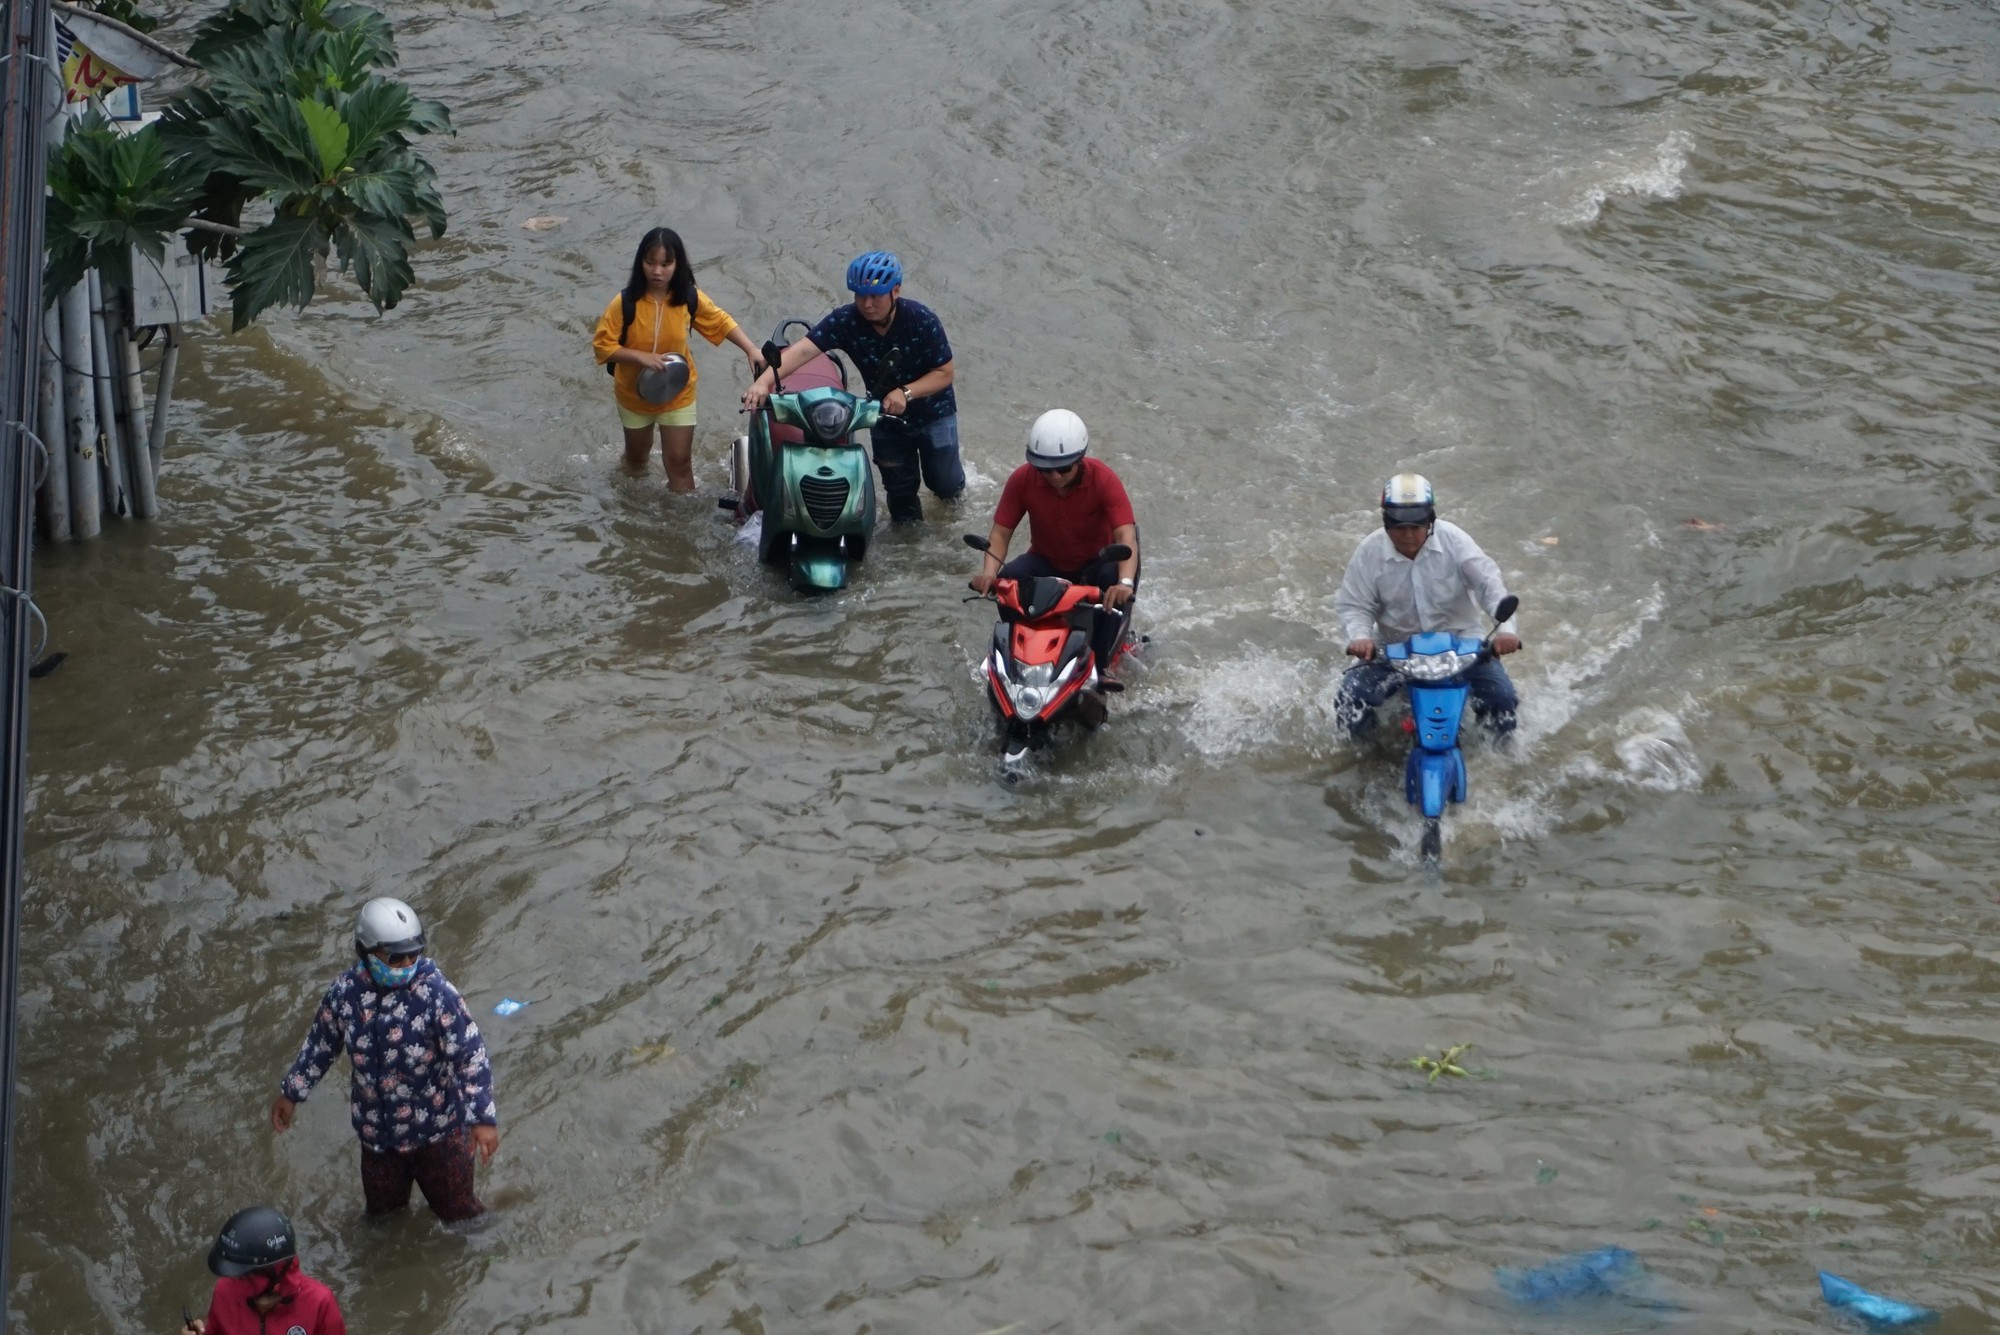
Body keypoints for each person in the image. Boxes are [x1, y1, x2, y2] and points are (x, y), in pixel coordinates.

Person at [270, 898, 498, 1223]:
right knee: (382, 1219)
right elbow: (320, 1045)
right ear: (367, 952)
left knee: (461, 1216)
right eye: (395, 957)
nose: (407, 962)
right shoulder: (345, 995)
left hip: (439, 1134)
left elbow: (470, 1057)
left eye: (414, 953)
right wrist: (291, 1093)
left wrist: (483, 1119)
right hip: (378, 1140)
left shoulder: (437, 996)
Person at [741, 250, 962, 522]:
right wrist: (763, 383)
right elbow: (802, 352)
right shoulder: (846, 320)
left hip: (933, 414)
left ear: (896, 291)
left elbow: (945, 372)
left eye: (875, 296)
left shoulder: (922, 320)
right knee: (900, 497)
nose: (867, 304)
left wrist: (906, 392)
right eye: (859, 295)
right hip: (884, 415)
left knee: (946, 485)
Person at [1332, 473, 1521, 737]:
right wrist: (1360, 638)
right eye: (1399, 526)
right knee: (1350, 701)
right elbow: (1354, 605)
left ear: (1430, 520)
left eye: (1416, 526)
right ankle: (1367, 758)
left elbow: (1489, 585)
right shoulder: (1369, 552)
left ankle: (1498, 759)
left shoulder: (1455, 540)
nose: (1408, 535)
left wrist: (1505, 631)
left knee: (1502, 699)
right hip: (1395, 651)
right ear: (1386, 523)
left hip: (1463, 648)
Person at [593, 226, 764, 491]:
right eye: (650, 262)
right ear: (641, 263)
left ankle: (681, 520)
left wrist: (751, 349)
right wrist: (640, 357)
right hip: (633, 394)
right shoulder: (624, 303)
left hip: (678, 391)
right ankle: (631, 505)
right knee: (637, 461)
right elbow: (602, 346)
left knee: (680, 462)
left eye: (666, 263)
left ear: (677, 264)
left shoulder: (688, 298)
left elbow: (719, 321)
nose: (657, 271)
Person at [967, 409, 1139, 669]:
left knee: (1109, 582)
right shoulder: (1022, 480)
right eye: (1045, 470)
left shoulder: (1103, 480)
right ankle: (1017, 658)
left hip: (1097, 563)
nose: (1055, 476)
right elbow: (1001, 532)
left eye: (1063, 468)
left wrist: (1124, 583)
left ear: (1080, 459)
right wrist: (989, 573)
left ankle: (1102, 665)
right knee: (1009, 578)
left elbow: (1125, 534)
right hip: (1047, 560)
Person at [179, 1204, 345, 1335]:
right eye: (241, 1276)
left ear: (276, 1273)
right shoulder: (225, 1291)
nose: (240, 1283)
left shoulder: (319, 1303)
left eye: (249, 1277)